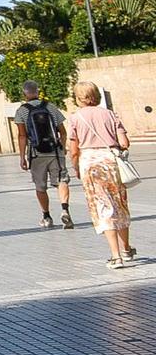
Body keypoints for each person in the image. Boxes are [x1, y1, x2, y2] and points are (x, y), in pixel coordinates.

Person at [64, 81, 135, 267]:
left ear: (78, 98)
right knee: (119, 204)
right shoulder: (110, 114)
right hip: (111, 162)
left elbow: (73, 149)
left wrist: (76, 167)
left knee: (103, 207)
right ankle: (126, 249)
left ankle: (116, 256)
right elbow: (124, 142)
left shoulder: (75, 118)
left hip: (90, 164)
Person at [11, 81, 74, 229]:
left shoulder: (21, 111)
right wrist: (63, 147)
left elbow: (22, 136)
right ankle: (65, 209)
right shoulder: (50, 107)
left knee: (40, 186)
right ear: (38, 91)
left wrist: (22, 157)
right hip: (55, 152)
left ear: (24, 93)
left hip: (36, 153)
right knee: (62, 180)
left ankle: (46, 216)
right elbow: (62, 131)